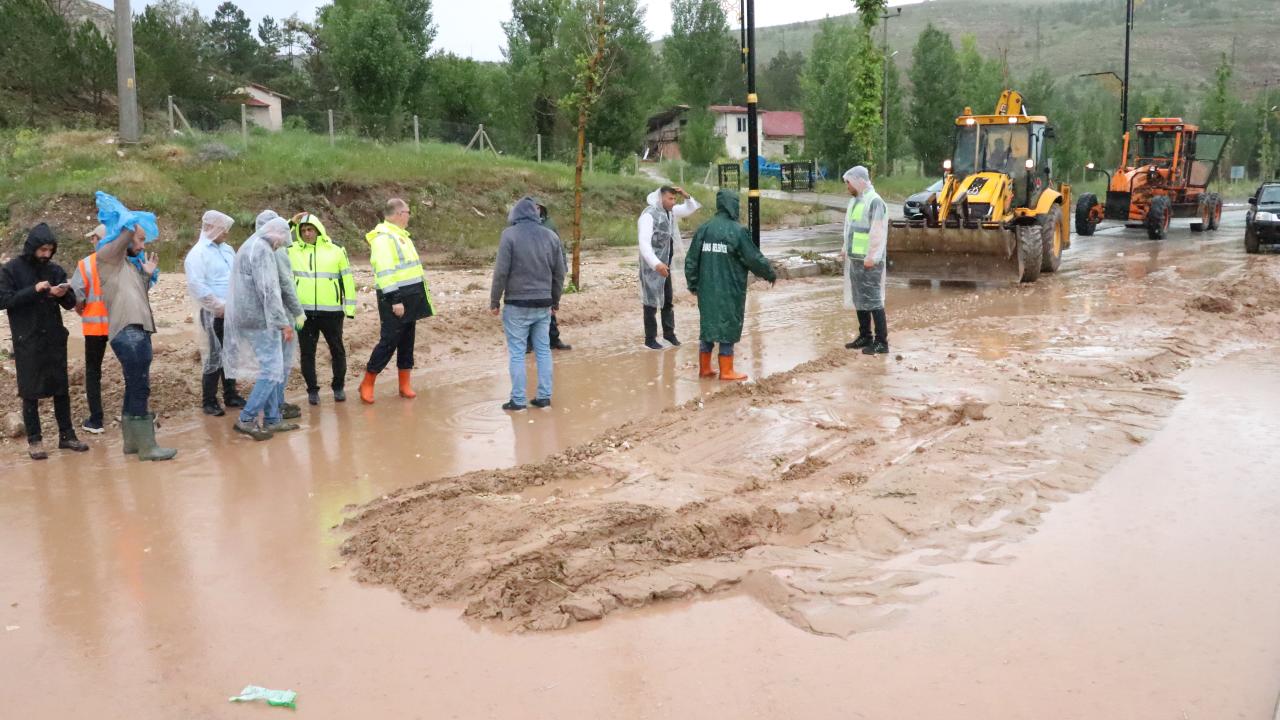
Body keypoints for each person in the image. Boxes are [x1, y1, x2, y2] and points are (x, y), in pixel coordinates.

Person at [92, 191, 176, 461]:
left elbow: (135, 296)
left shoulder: (128, 265)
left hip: (137, 330)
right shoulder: (107, 256)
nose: (142, 245)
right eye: (140, 240)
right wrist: (130, 227)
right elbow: (126, 235)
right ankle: (148, 447)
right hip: (127, 332)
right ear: (123, 237)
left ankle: (132, 443)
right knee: (140, 386)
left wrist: (146, 274)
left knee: (134, 385)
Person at [0, 224, 90, 460]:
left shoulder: (55, 270)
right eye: (42, 249)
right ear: (32, 248)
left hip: (53, 338)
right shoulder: (11, 270)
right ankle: (35, 440)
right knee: (30, 391)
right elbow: (5, 300)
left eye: (50, 250)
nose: (46, 255)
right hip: (27, 339)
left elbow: (71, 304)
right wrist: (35, 289)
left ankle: (67, 435)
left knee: (61, 388)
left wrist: (64, 294)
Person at [685, 189, 777, 382]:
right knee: (728, 325)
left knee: (708, 326)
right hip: (730, 289)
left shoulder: (704, 228)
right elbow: (754, 258)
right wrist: (769, 273)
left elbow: (691, 260)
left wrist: (693, 284)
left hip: (706, 289)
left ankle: (705, 368)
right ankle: (726, 371)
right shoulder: (738, 231)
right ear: (733, 205)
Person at [222, 217, 298, 440]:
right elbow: (269, 289)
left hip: (249, 315)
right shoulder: (262, 249)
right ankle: (247, 419)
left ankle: (273, 419)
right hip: (258, 318)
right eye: (281, 242)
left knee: (271, 368)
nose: (279, 247)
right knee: (272, 370)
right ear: (276, 234)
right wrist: (282, 321)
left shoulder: (251, 244)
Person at [490, 196, 565, 411]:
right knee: (543, 350)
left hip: (516, 303)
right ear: (536, 214)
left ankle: (518, 401)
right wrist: (555, 300)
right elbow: (559, 273)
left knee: (517, 352)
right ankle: (544, 397)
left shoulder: (509, 235)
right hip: (543, 303)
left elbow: (501, 272)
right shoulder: (551, 236)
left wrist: (494, 300)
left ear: (514, 215)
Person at [359, 198, 434, 404]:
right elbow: (385, 271)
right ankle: (368, 381)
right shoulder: (384, 238)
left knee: (407, 341)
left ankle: (404, 384)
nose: (409, 216)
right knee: (389, 341)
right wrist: (395, 299)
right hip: (395, 298)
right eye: (408, 212)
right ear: (400, 214)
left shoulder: (402, 236)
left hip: (412, 296)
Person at [288, 212, 356, 405]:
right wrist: (291, 224)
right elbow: (272, 239)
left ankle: (338, 387)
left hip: (332, 313)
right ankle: (312, 390)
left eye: (310, 229)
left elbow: (348, 281)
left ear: (318, 230)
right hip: (303, 314)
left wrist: (349, 309)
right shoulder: (291, 250)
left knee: (337, 350)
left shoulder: (336, 249)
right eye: (303, 230)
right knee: (307, 353)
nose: (307, 233)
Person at [183, 210, 245, 417]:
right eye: (223, 229)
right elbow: (196, 284)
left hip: (232, 310)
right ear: (210, 228)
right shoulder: (198, 253)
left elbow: (236, 275)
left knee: (231, 353)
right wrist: (217, 306)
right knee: (215, 355)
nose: (226, 233)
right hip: (213, 313)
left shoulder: (227, 250)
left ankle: (230, 394)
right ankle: (209, 400)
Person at [637, 185, 700, 350]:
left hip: (666, 265)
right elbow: (644, 243)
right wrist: (656, 264)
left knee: (667, 301)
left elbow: (690, 208)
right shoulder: (649, 216)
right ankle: (650, 339)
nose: (673, 202)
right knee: (650, 303)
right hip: (652, 266)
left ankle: (669, 334)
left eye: (674, 199)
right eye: (670, 199)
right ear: (661, 198)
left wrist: (685, 195)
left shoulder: (670, 212)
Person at [840, 166, 890, 355]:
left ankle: (881, 342)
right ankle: (865, 336)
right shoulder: (856, 201)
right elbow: (851, 227)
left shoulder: (875, 201)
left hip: (870, 261)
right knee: (859, 298)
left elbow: (877, 232)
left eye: (849, 183)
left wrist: (873, 256)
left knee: (874, 300)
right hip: (856, 259)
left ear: (859, 181)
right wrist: (846, 248)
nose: (848, 187)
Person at [68, 224, 109, 434]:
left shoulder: (86, 264)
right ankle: (133, 412)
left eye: (93, 238)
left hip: (94, 326)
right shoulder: (122, 261)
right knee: (131, 369)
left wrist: (81, 310)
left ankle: (96, 419)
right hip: (120, 323)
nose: (91, 242)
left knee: (93, 373)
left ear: (96, 239)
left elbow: (77, 297)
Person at [264, 210, 304, 421]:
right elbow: (286, 284)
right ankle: (276, 406)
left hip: (273, 313)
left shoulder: (265, 247)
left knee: (276, 362)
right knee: (281, 363)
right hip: (282, 313)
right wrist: (298, 313)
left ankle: (275, 404)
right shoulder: (277, 252)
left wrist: (291, 222)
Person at [526, 203, 571, 352]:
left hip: (549, 270)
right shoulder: (520, 225)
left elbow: (559, 247)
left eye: (538, 207)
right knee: (528, 306)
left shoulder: (549, 224)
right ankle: (528, 342)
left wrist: (563, 266)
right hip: (528, 271)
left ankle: (553, 338)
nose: (535, 210)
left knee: (550, 305)